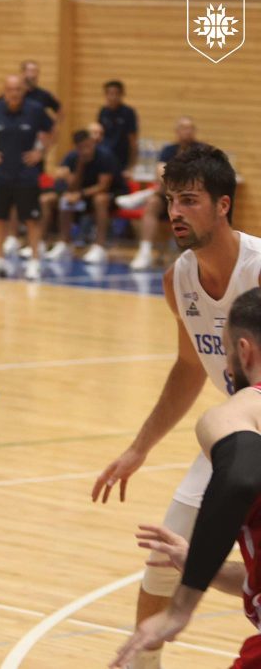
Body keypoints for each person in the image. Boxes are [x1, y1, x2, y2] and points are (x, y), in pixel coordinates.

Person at [91, 145, 261, 669]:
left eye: (189, 200)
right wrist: (139, 448)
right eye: (170, 201)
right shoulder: (178, 279)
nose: (175, 212)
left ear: (223, 205)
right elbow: (190, 367)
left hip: (249, 429)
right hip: (242, 434)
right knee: (165, 560)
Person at [110, 287, 261, 669]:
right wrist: (200, 563)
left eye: (226, 352)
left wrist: (181, 605)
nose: (227, 368)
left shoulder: (240, 411)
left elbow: (239, 479)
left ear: (244, 351)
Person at [0, 75, 53, 280]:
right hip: (1, 172)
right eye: (10, 90)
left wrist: (41, 152)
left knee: (31, 219)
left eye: (18, 89)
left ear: (24, 91)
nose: (14, 93)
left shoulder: (35, 110)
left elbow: (52, 129)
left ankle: (35, 261)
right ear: (4, 91)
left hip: (26, 174)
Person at [39, 129, 125, 263]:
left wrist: (80, 195)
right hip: (80, 195)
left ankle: (99, 246)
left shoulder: (105, 156)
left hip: (108, 194)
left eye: (88, 146)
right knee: (57, 199)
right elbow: (68, 185)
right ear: (76, 147)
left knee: (100, 200)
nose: (86, 150)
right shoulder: (72, 157)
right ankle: (61, 243)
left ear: (92, 143)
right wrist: (79, 167)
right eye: (81, 147)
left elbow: (103, 186)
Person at [128, 117, 203, 271]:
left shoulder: (202, 151)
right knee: (152, 203)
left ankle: (144, 195)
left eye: (190, 128)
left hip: (190, 198)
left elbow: (198, 177)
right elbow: (161, 172)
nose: (187, 131)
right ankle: (145, 251)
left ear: (194, 131)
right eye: (183, 128)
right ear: (177, 131)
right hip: (169, 194)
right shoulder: (169, 150)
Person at [98, 80, 139, 176]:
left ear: (122, 94)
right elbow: (99, 135)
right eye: (110, 93)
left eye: (116, 93)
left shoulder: (128, 112)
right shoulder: (103, 112)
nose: (113, 97)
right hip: (105, 157)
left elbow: (133, 140)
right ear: (106, 94)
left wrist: (131, 167)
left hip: (121, 158)